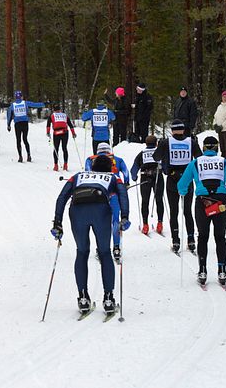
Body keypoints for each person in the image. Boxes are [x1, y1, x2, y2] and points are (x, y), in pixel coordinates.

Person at [51, 154, 130, 315]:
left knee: (81, 252)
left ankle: (83, 298)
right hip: (101, 211)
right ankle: (108, 299)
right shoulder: (113, 176)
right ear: (110, 167)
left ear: (92, 167)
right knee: (105, 252)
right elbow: (123, 194)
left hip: (77, 210)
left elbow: (62, 197)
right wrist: (124, 217)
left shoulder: (78, 176)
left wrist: (57, 222)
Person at [178, 136, 226, 286]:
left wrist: (183, 191)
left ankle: (202, 270)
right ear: (217, 148)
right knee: (220, 237)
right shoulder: (224, 162)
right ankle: (222, 271)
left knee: (203, 236)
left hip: (203, 202)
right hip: (221, 202)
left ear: (203, 149)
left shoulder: (195, 163)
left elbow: (182, 184)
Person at [153, 119, 202, 253]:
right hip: (187, 178)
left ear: (173, 130)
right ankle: (191, 240)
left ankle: (175, 241)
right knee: (187, 211)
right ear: (183, 130)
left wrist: (162, 151)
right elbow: (199, 157)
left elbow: (155, 157)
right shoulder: (191, 142)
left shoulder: (166, 142)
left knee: (174, 211)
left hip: (172, 178)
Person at [85, 142, 129, 262]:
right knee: (115, 220)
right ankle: (116, 248)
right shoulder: (118, 159)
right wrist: (126, 183)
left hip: (99, 195)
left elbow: (88, 172)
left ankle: (101, 248)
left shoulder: (90, 159)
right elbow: (126, 172)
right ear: (109, 150)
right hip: (114, 194)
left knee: (100, 223)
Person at [130, 135, 165, 235]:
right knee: (159, 199)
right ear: (156, 143)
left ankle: (145, 224)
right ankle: (160, 223)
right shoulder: (160, 152)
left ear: (146, 143)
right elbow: (165, 164)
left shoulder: (142, 154)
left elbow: (134, 168)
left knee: (145, 201)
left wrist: (134, 177)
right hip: (158, 177)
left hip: (145, 177)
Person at [6, 90, 45, 163]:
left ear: (15, 97)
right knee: (25, 139)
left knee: (18, 140)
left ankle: (20, 157)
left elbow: (9, 115)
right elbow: (35, 104)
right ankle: (29, 156)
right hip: (25, 123)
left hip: (17, 124)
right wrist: (44, 104)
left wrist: (8, 125)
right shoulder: (25, 103)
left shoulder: (12, 105)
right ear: (21, 96)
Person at [46, 103, 77, 171]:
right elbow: (70, 125)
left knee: (56, 149)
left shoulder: (52, 116)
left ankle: (56, 165)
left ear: (54, 110)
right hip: (65, 132)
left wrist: (48, 132)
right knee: (64, 148)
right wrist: (73, 133)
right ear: (60, 109)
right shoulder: (64, 115)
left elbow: (48, 124)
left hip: (56, 133)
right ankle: (65, 165)